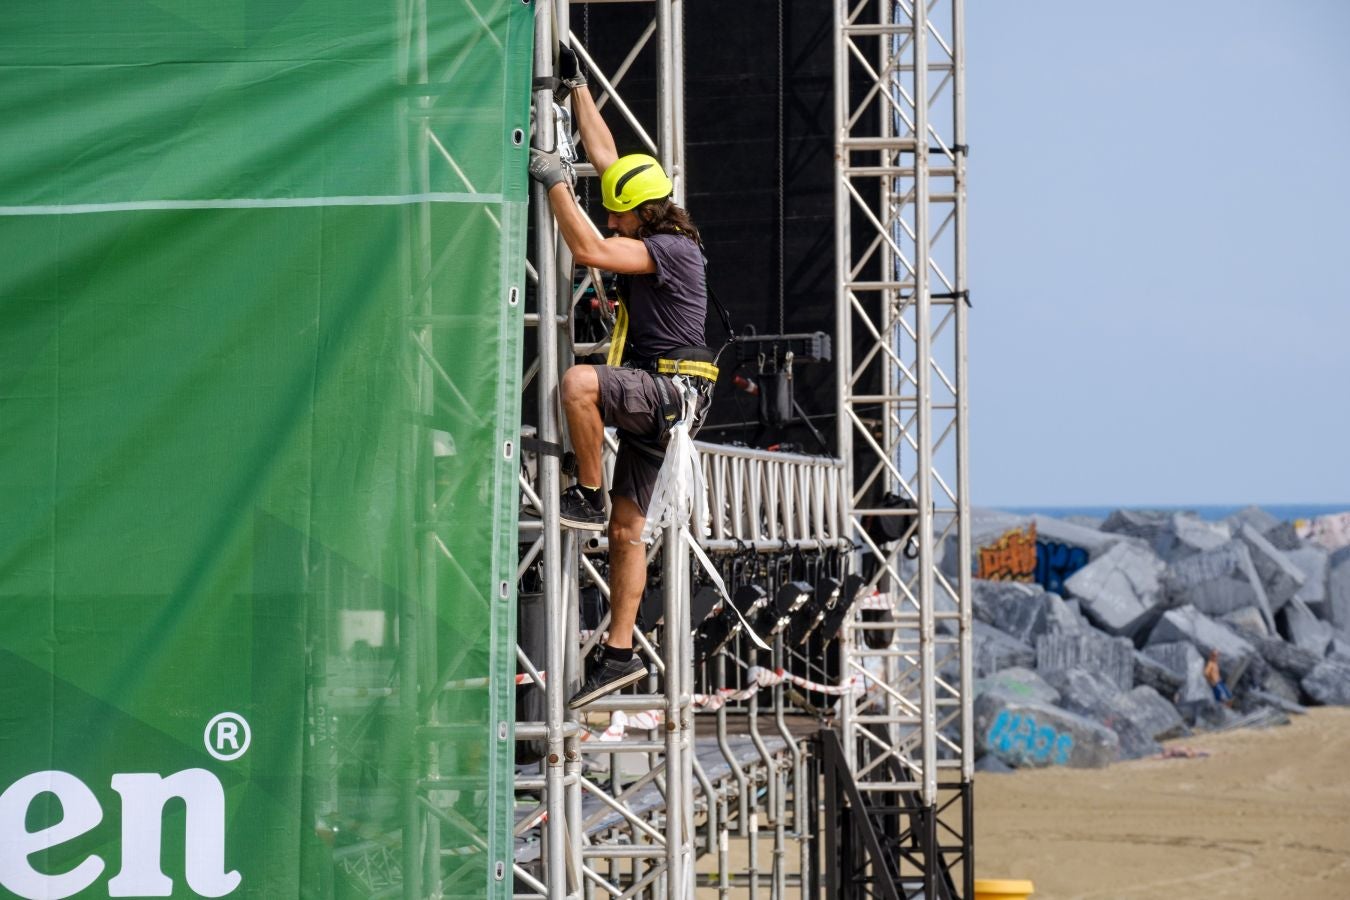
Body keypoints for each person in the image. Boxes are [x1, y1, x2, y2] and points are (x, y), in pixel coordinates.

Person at [528, 46, 718, 709]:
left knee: (578, 385)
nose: (612, 220)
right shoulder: (654, 212)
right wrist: (580, 90)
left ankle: (584, 488)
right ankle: (619, 652)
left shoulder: (670, 251)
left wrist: (553, 179)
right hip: (666, 402)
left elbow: (587, 248)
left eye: (619, 216)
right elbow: (609, 162)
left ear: (644, 218)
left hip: (666, 394)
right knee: (626, 531)